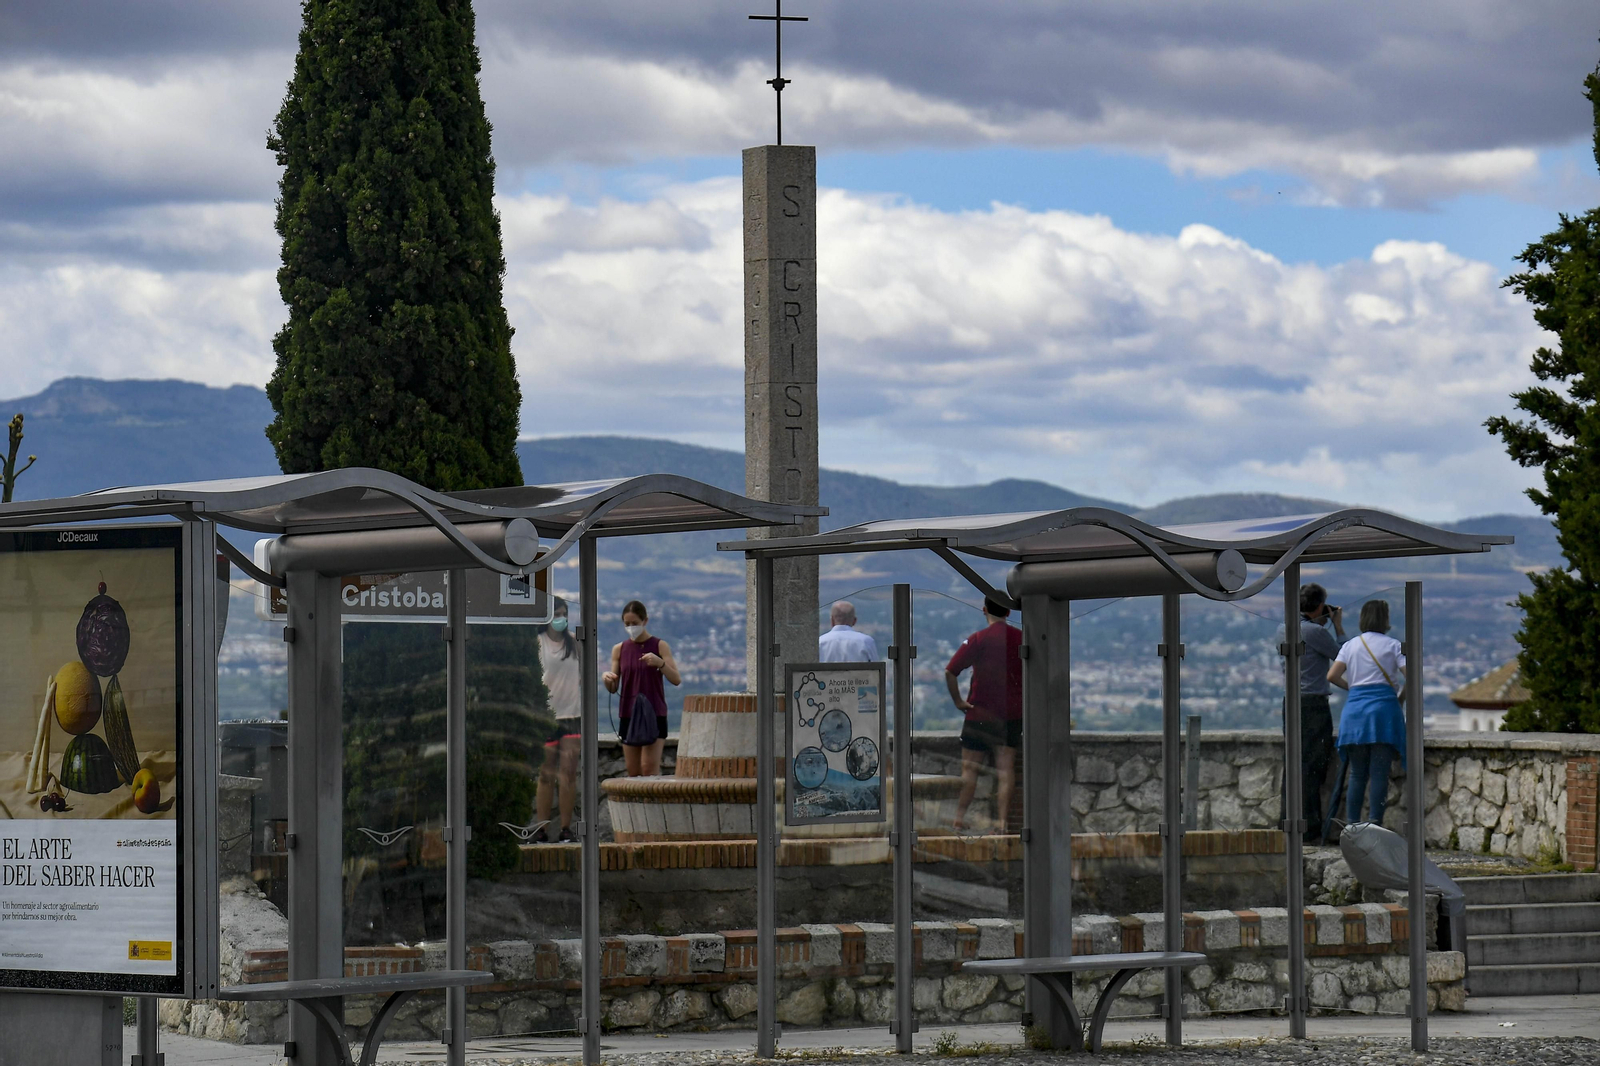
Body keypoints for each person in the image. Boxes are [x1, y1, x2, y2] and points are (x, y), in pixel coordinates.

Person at [1274, 583, 1346, 843]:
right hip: (1313, 705)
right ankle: (1309, 829)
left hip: (1290, 702)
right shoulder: (1315, 631)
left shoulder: (1283, 628)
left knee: (1294, 763)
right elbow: (1344, 656)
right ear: (1319, 606)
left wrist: (1321, 619)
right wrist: (1336, 625)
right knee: (1312, 767)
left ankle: (1288, 822)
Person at [945, 599, 1022, 832]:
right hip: (1011, 714)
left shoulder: (978, 639)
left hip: (979, 712)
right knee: (1005, 769)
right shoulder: (1020, 638)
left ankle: (959, 818)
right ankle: (1002, 822)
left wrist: (959, 701)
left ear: (985, 610)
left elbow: (951, 671)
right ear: (1008, 611)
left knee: (970, 770)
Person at [1328, 599, 1406, 826]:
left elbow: (1332, 675)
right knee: (1379, 774)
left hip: (1355, 714)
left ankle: (1352, 824)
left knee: (1357, 774)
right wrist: (1399, 699)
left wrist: (1353, 689)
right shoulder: (1393, 645)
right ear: (1385, 619)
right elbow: (1412, 677)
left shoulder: (1350, 646)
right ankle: (1374, 822)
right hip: (1383, 713)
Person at [602, 599, 680, 776]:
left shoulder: (659, 646)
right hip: (629, 712)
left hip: (654, 711)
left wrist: (660, 663)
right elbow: (613, 687)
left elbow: (676, 679)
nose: (631, 627)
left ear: (645, 621)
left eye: (635, 623)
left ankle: (653, 802)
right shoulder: (619, 649)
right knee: (633, 770)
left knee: (649, 768)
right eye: (627, 624)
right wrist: (607, 678)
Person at [532, 598, 579, 843]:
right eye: (556, 614)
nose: (560, 618)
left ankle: (565, 828)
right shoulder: (537, 643)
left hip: (572, 716)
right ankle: (541, 828)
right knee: (546, 774)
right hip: (546, 716)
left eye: (564, 613)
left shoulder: (575, 644)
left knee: (568, 774)